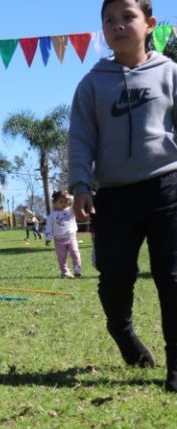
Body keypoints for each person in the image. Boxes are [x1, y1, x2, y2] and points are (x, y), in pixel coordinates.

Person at [70, 0, 177, 389]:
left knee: (173, 276)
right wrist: (81, 185)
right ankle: (123, 331)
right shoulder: (92, 83)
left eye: (127, 17)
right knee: (115, 276)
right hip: (113, 196)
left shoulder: (170, 73)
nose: (118, 25)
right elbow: (81, 139)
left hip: (167, 186)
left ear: (149, 24)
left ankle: (175, 365)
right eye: (109, 20)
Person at [45, 191, 82, 279]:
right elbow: (49, 227)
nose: (64, 204)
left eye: (65, 201)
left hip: (71, 238)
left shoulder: (71, 210)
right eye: (61, 201)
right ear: (54, 203)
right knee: (62, 258)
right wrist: (48, 238)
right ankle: (65, 272)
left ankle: (77, 268)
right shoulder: (51, 215)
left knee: (75, 252)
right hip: (59, 240)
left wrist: (69, 196)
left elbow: (76, 200)